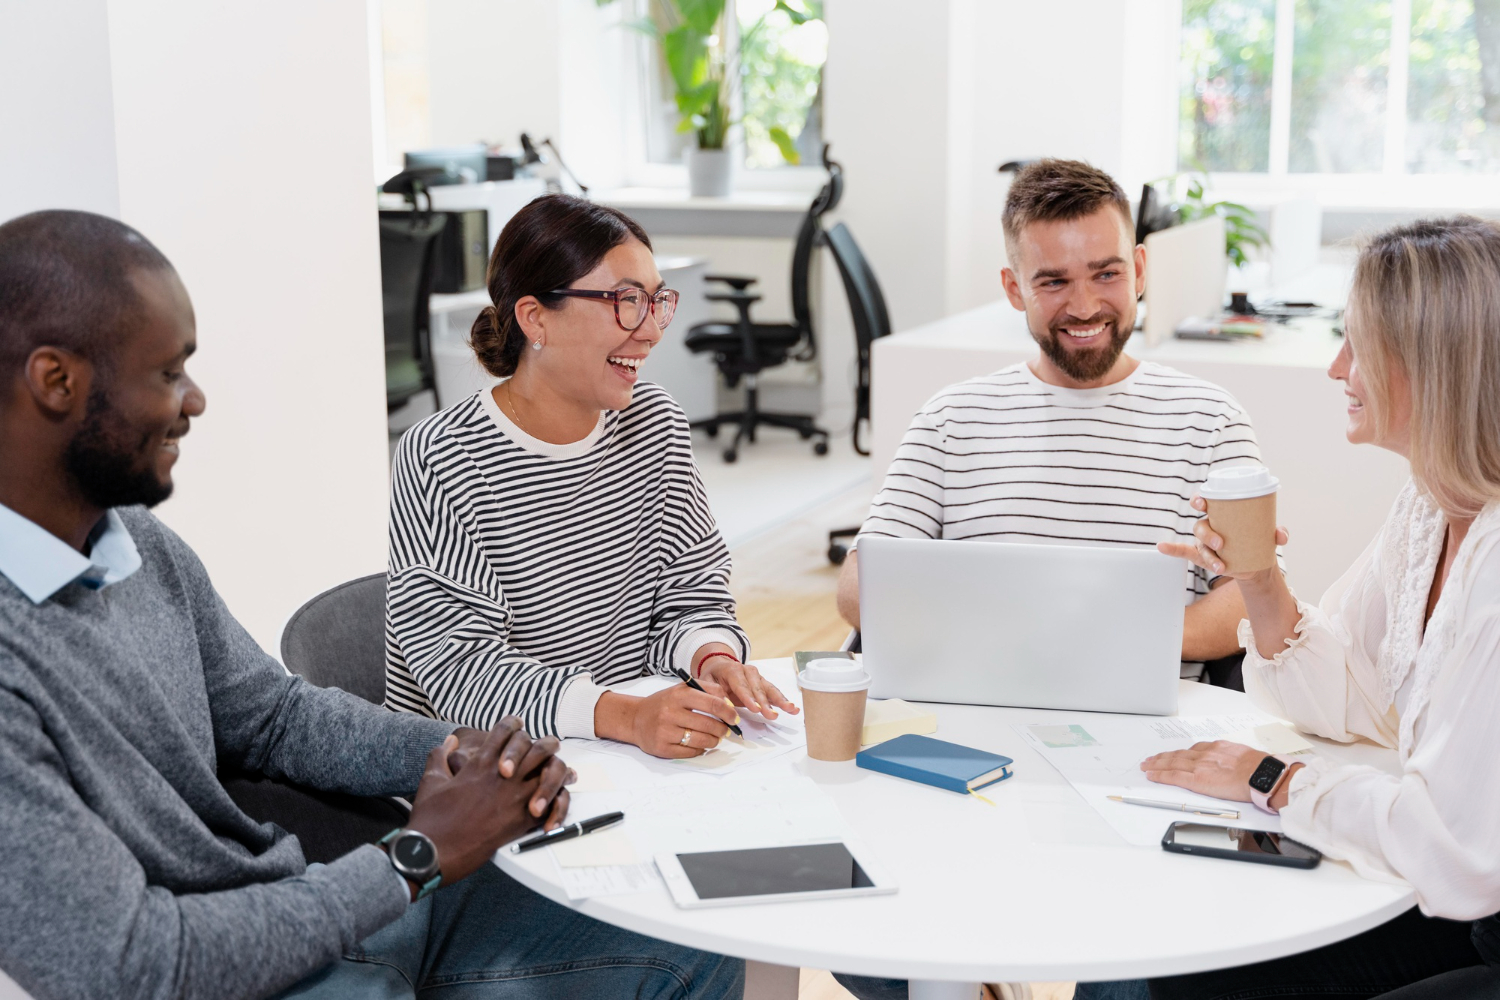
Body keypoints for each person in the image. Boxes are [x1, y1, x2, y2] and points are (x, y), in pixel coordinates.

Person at [0, 210, 743, 1000]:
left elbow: (276, 718)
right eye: (167, 374)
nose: (196, 401)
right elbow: (139, 966)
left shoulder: (142, 549)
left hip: (328, 904)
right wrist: (413, 857)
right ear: (56, 382)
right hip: (246, 961)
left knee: (698, 941)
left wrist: (465, 758)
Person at [1127, 216, 1500, 998]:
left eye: (1356, 344)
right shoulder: (1430, 509)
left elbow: (1457, 858)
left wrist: (1273, 778)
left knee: (1201, 980)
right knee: (1181, 964)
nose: (1337, 368)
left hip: (1478, 916)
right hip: (1455, 896)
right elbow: (1347, 703)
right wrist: (1258, 578)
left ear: (1433, 367)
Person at [384, 194, 797, 757]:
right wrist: (626, 716)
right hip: (484, 773)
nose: (651, 331)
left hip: (623, 755)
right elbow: (463, 672)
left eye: (656, 301)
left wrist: (713, 656)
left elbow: (691, 594)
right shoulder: (441, 456)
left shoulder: (655, 423)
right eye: (626, 301)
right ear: (535, 319)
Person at [835, 159, 1265, 684]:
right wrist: (1026, 637)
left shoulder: (1211, 421)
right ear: (1014, 288)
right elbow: (859, 586)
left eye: (1106, 274)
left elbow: (1252, 597)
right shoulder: (950, 420)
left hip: (1154, 729)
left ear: (1141, 271)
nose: (1084, 307)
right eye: (1054, 281)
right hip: (975, 708)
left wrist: (1081, 638)